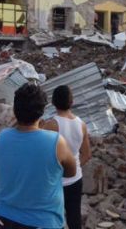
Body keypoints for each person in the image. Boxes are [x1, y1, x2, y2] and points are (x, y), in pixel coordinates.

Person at [0, 83, 77, 229]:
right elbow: (71, 171)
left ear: (14, 109)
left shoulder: (2, 137)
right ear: (42, 111)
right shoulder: (55, 141)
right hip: (42, 222)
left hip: (3, 220)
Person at [42, 85, 92, 229]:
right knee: (74, 215)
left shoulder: (51, 125)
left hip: (54, 181)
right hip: (75, 179)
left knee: (52, 217)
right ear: (72, 102)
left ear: (54, 102)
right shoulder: (81, 125)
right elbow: (87, 154)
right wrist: (74, 166)